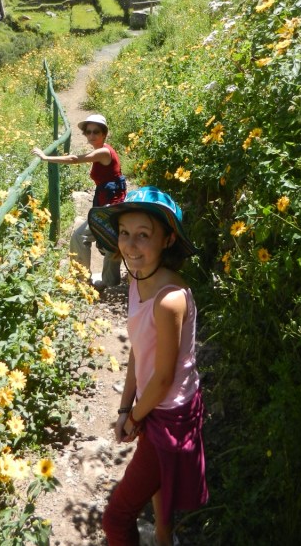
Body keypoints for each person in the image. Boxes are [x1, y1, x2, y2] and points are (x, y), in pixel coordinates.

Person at [88, 186, 208, 546]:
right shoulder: (138, 278)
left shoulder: (169, 300)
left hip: (168, 411)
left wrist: (135, 418)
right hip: (150, 403)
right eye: (124, 233)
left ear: (167, 239)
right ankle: (164, 536)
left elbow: (164, 377)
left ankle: (163, 535)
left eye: (144, 235)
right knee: (158, 483)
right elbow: (139, 352)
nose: (131, 245)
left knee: (115, 519)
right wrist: (126, 407)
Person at [31, 113, 126, 287]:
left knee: (80, 236)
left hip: (111, 206)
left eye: (96, 132)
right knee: (111, 240)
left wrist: (46, 158)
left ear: (104, 133)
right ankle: (109, 282)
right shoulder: (102, 150)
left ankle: (82, 280)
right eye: (88, 132)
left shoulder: (104, 151)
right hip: (111, 202)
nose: (91, 135)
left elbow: (74, 159)